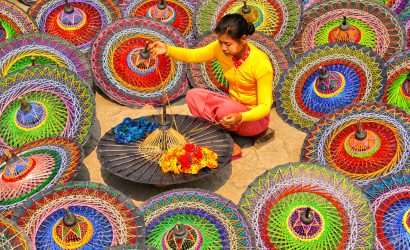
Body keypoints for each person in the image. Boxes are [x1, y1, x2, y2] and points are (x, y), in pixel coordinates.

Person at [148, 13, 274, 160]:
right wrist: (168, 50)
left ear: (243, 40)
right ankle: (223, 135)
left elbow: (265, 107)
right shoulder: (219, 49)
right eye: (220, 42)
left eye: (228, 44)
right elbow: (194, 55)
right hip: (232, 111)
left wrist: (242, 116)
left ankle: (226, 144)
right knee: (193, 95)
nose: (223, 48)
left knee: (226, 109)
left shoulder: (261, 63)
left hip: (253, 121)